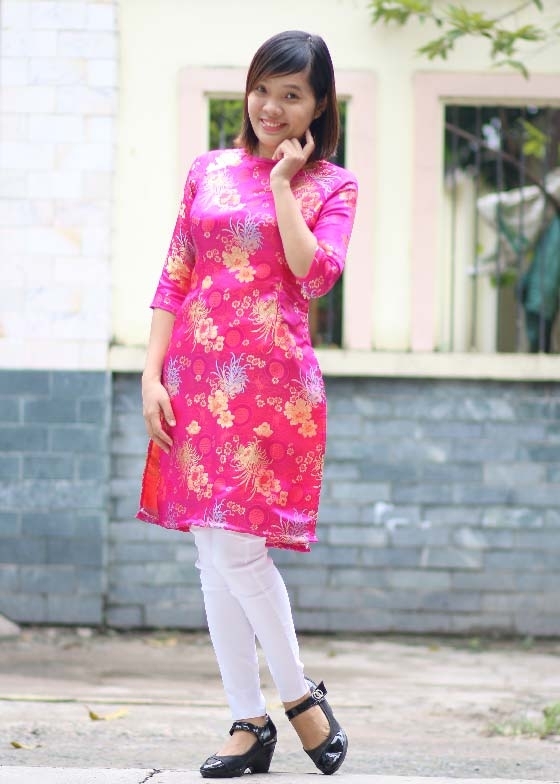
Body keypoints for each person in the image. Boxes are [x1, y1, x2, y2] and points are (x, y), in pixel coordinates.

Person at [137, 29, 358, 778]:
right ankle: (248, 720)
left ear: (318, 105)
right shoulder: (208, 169)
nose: (271, 106)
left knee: (238, 549)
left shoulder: (332, 185)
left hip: (272, 388)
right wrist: (151, 376)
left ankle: (297, 698)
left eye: (291, 95)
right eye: (263, 88)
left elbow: (314, 273)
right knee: (211, 554)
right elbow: (175, 275)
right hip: (196, 381)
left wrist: (281, 186)